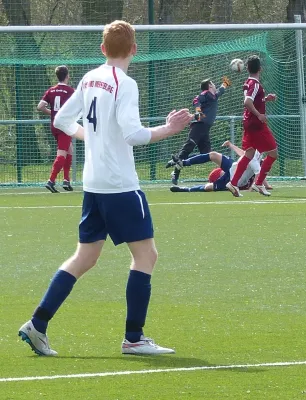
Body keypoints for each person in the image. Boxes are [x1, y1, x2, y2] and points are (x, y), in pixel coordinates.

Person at [19, 20, 192, 356]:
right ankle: (134, 338)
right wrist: (169, 129)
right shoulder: (124, 83)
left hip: (93, 185)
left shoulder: (89, 77)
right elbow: (135, 136)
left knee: (85, 257)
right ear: (134, 50)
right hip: (120, 185)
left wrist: (91, 137)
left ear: (102, 49)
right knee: (147, 255)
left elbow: (61, 121)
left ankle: (37, 324)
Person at [226, 55, 278, 197]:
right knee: (273, 153)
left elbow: (253, 100)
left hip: (248, 124)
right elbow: (247, 102)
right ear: (260, 68)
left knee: (249, 154)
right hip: (256, 125)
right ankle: (259, 183)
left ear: (247, 68)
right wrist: (259, 114)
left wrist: (265, 99)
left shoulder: (248, 82)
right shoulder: (255, 84)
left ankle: (233, 183)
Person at [167, 76, 231, 185]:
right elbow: (197, 100)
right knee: (188, 147)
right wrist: (198, 112)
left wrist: (225, 84)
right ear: (210, 85)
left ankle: (177, 161)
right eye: (213, 84)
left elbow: (220, 91)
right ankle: (176, 172)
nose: (215, 86)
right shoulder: (205, 93)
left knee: (206, 155)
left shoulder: (213, 96)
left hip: (205, 129)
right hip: (199, 126)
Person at [168, 140, 268, 194]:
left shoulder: (257, 156)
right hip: (233, 166)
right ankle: (183, 163)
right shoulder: (255, 150)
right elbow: (244, 154)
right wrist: (231, 145)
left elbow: (258, 173)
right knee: (213, 155)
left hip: (234, 178)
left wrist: (253, 188)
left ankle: (185, 189)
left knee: (209, 187)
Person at [37, 65, 75, 193]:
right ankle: (51, 181)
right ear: (67, 76)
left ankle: (66, 180)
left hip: (54, 125)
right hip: (64, 126)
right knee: (62, 153)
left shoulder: (51, 90)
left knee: (69, 150)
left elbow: (40, 106)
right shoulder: (70, 91)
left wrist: (53, 113)